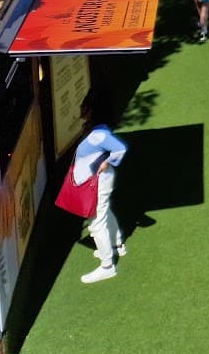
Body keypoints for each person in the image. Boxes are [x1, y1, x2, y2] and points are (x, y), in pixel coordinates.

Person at [73, 90, 129, 283]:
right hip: (99, 180)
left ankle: (107, 266)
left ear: (90, 110)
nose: (79, 107)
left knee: (96, 224)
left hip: (98, 181)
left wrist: (108, 162)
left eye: (83, 105)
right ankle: (117, 244)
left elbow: (120, 148)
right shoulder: (96, 130)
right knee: (104, 212)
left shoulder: (98, 134)